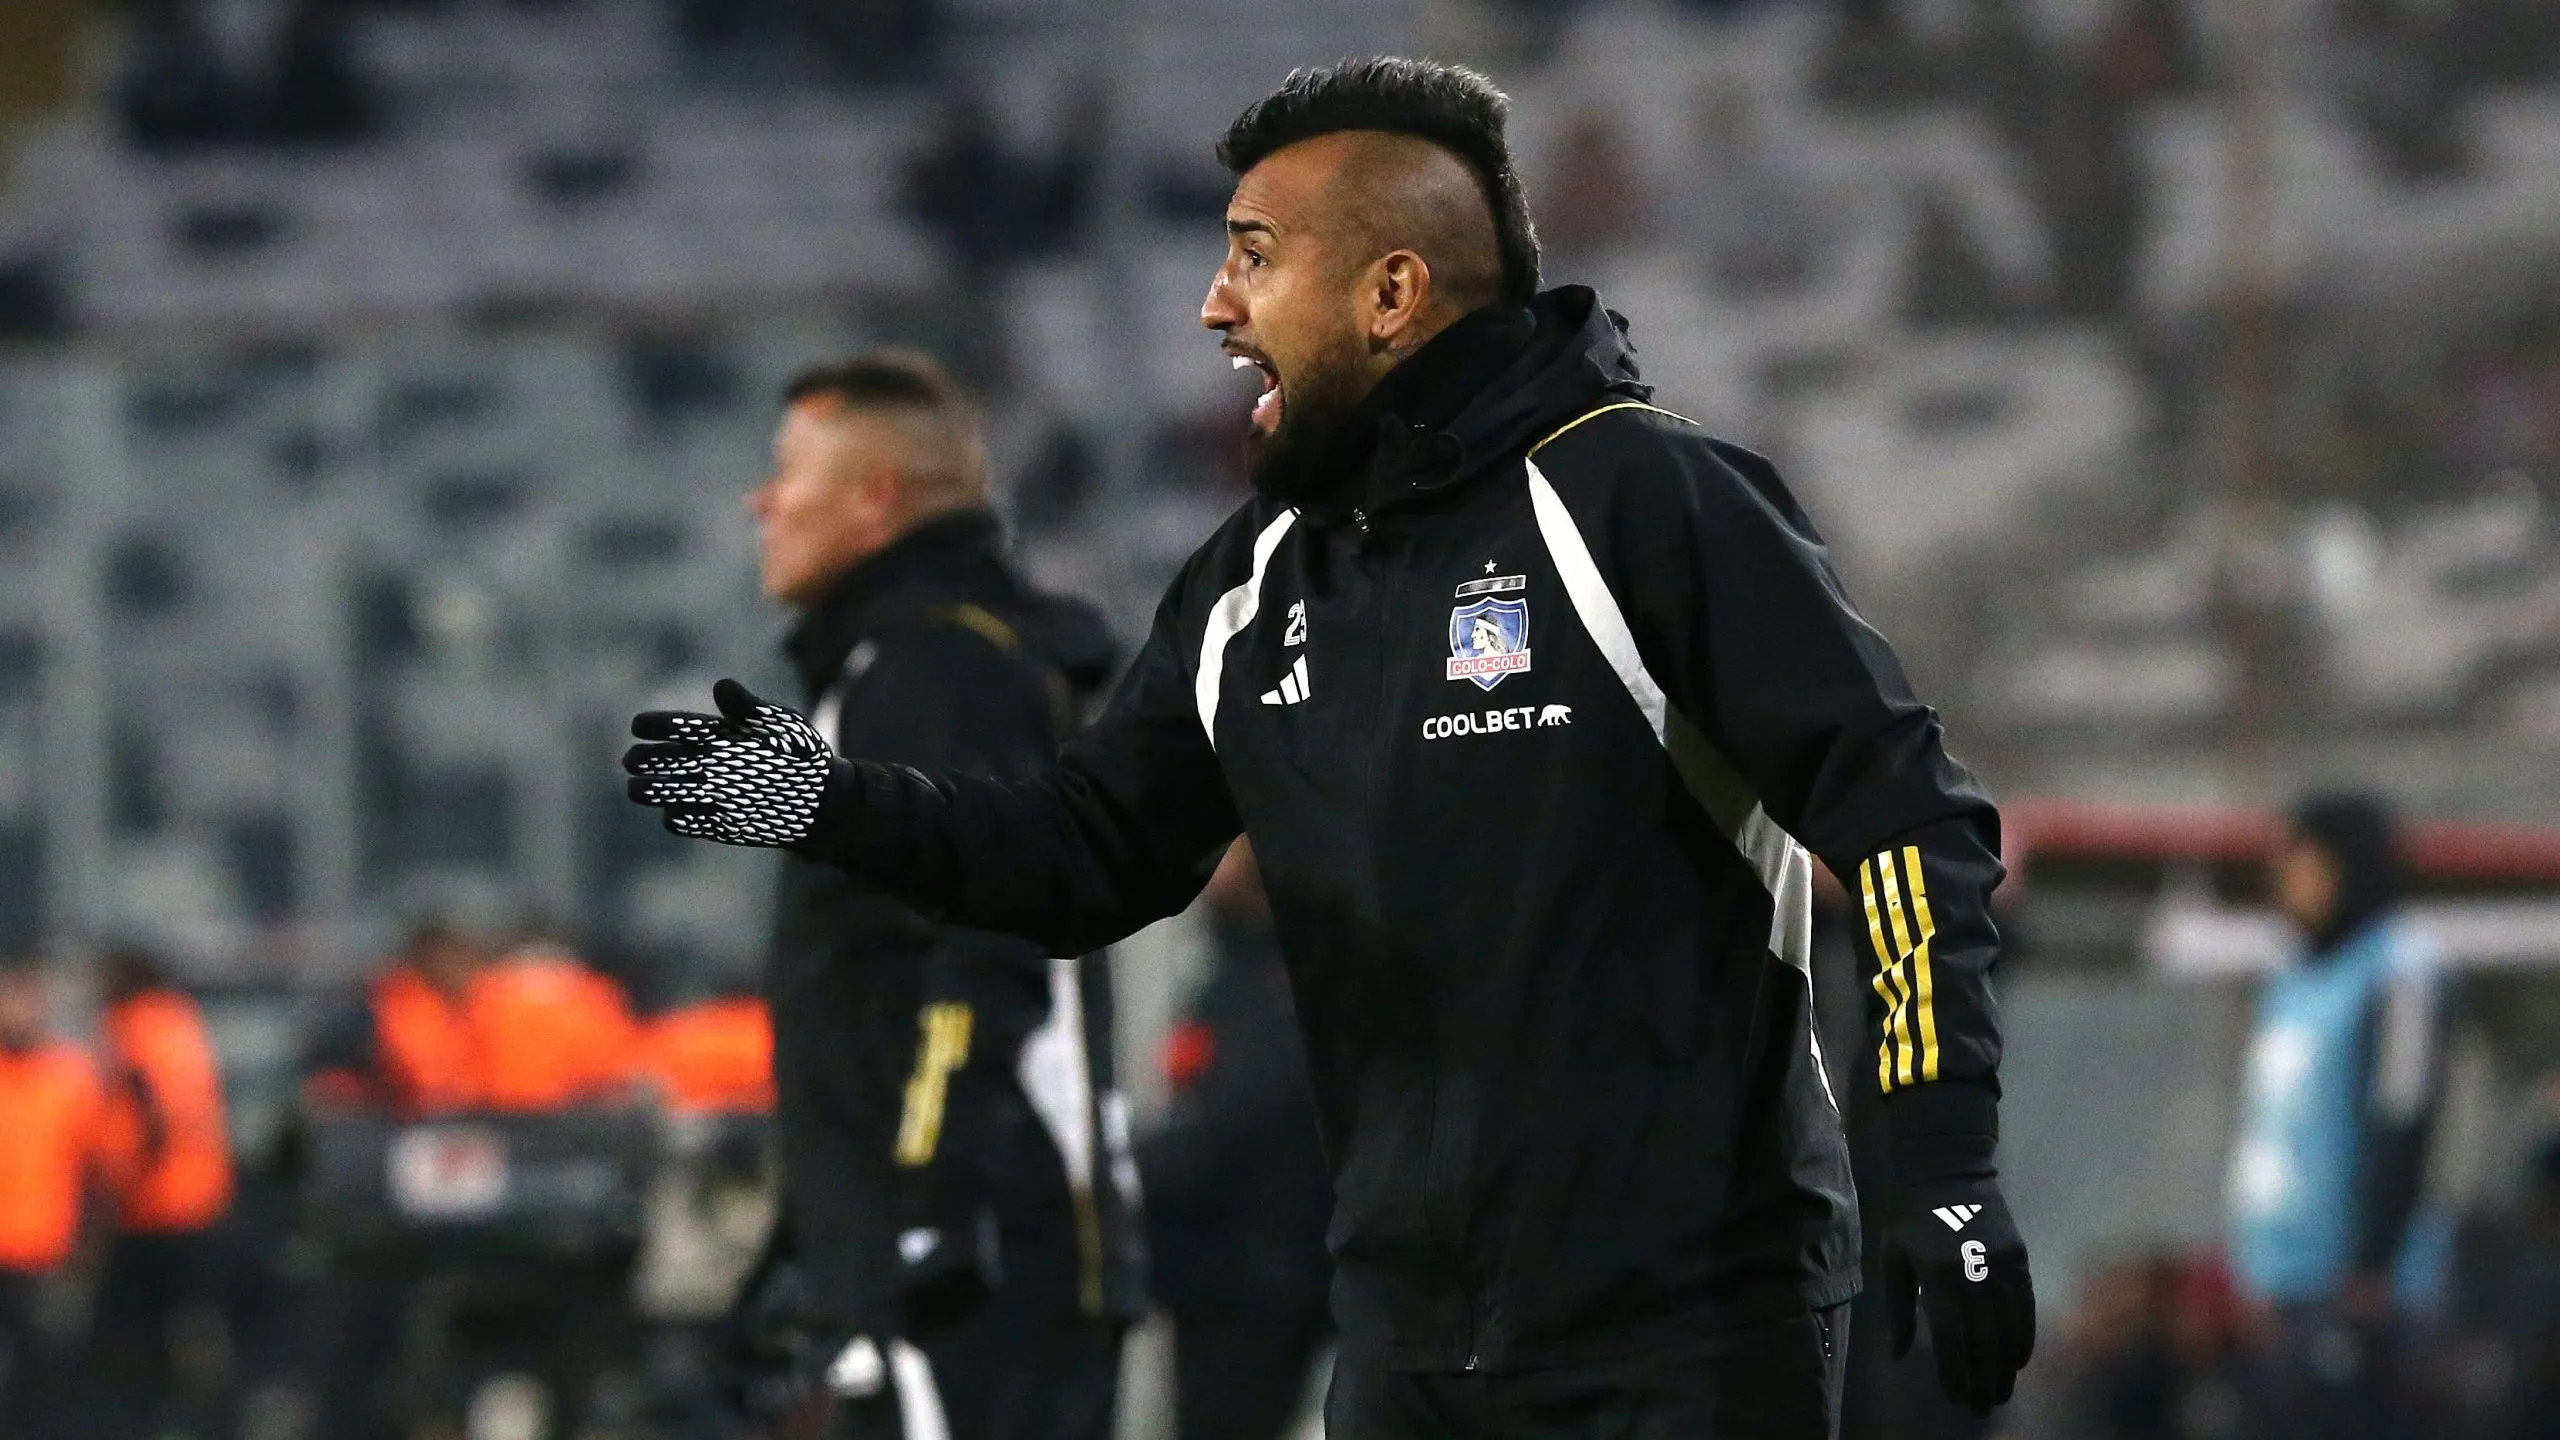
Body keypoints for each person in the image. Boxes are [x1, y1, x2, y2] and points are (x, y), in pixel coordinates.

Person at [627, 58, 2034, 1437]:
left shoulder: (1639, 498)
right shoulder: (1258, 580)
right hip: (1401, 1341)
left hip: (1687, 1337)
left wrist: (1940, 1161)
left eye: (1252, 256)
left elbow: (1910, 820)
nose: (1213, 305)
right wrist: (837, 805)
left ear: (1391, 292)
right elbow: (1083, 856)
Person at [718, 350, 1143, 1440]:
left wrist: (930, 1207)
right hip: (956, 1235)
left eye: (787, 472)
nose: (761, 502)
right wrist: (811, 1231)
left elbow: (986, 946)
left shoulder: (936, 672)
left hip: (979, 1250)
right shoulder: (901, 669)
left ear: (874, 501)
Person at [2227, 793, 2444, 1440]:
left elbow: (2403, 1120)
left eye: (2299, 861)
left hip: (2354, 1293)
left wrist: (2367, 1270)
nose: (2283, 880)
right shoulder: (2293, 979)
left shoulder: (2401, 973)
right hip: (2283, 1284)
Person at [1141, 841, 1334, 1440]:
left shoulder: (1280, 980)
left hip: (1256, 1282)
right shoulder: (1231, 970)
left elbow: (1240, 1120)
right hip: (1219, 1275)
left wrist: (1126, 1168)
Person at [93, 947, 236, 1439]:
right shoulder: (182, 1022)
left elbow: (149, 1117)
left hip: (154, 1208)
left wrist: (116, 1188)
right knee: (195, 1327)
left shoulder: (135, 1028)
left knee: (135, 1338)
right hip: (202, 1200)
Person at [0, 954, 118, 1440]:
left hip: (47, 1255)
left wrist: (90, 1246)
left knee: (50, 1378)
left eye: (26, 998)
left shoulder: (73, 1075)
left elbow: (102, 1170)